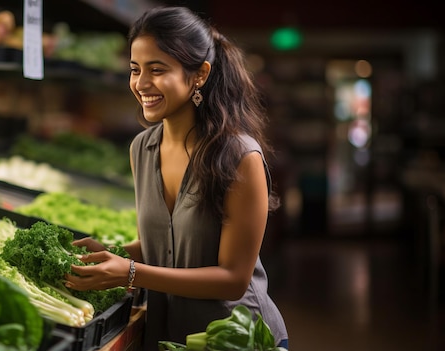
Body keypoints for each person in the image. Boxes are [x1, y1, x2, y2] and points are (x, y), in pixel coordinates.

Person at [64, 6, 289, 350]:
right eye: (135, 69)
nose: (141, 84)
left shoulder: (240, 156)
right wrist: (110, 254)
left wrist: (129, 272)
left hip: (237, 339)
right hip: (170, 337)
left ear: (198, 74)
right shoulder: (142, 148)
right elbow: (165, 247)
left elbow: (232, 279)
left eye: (157, 69)